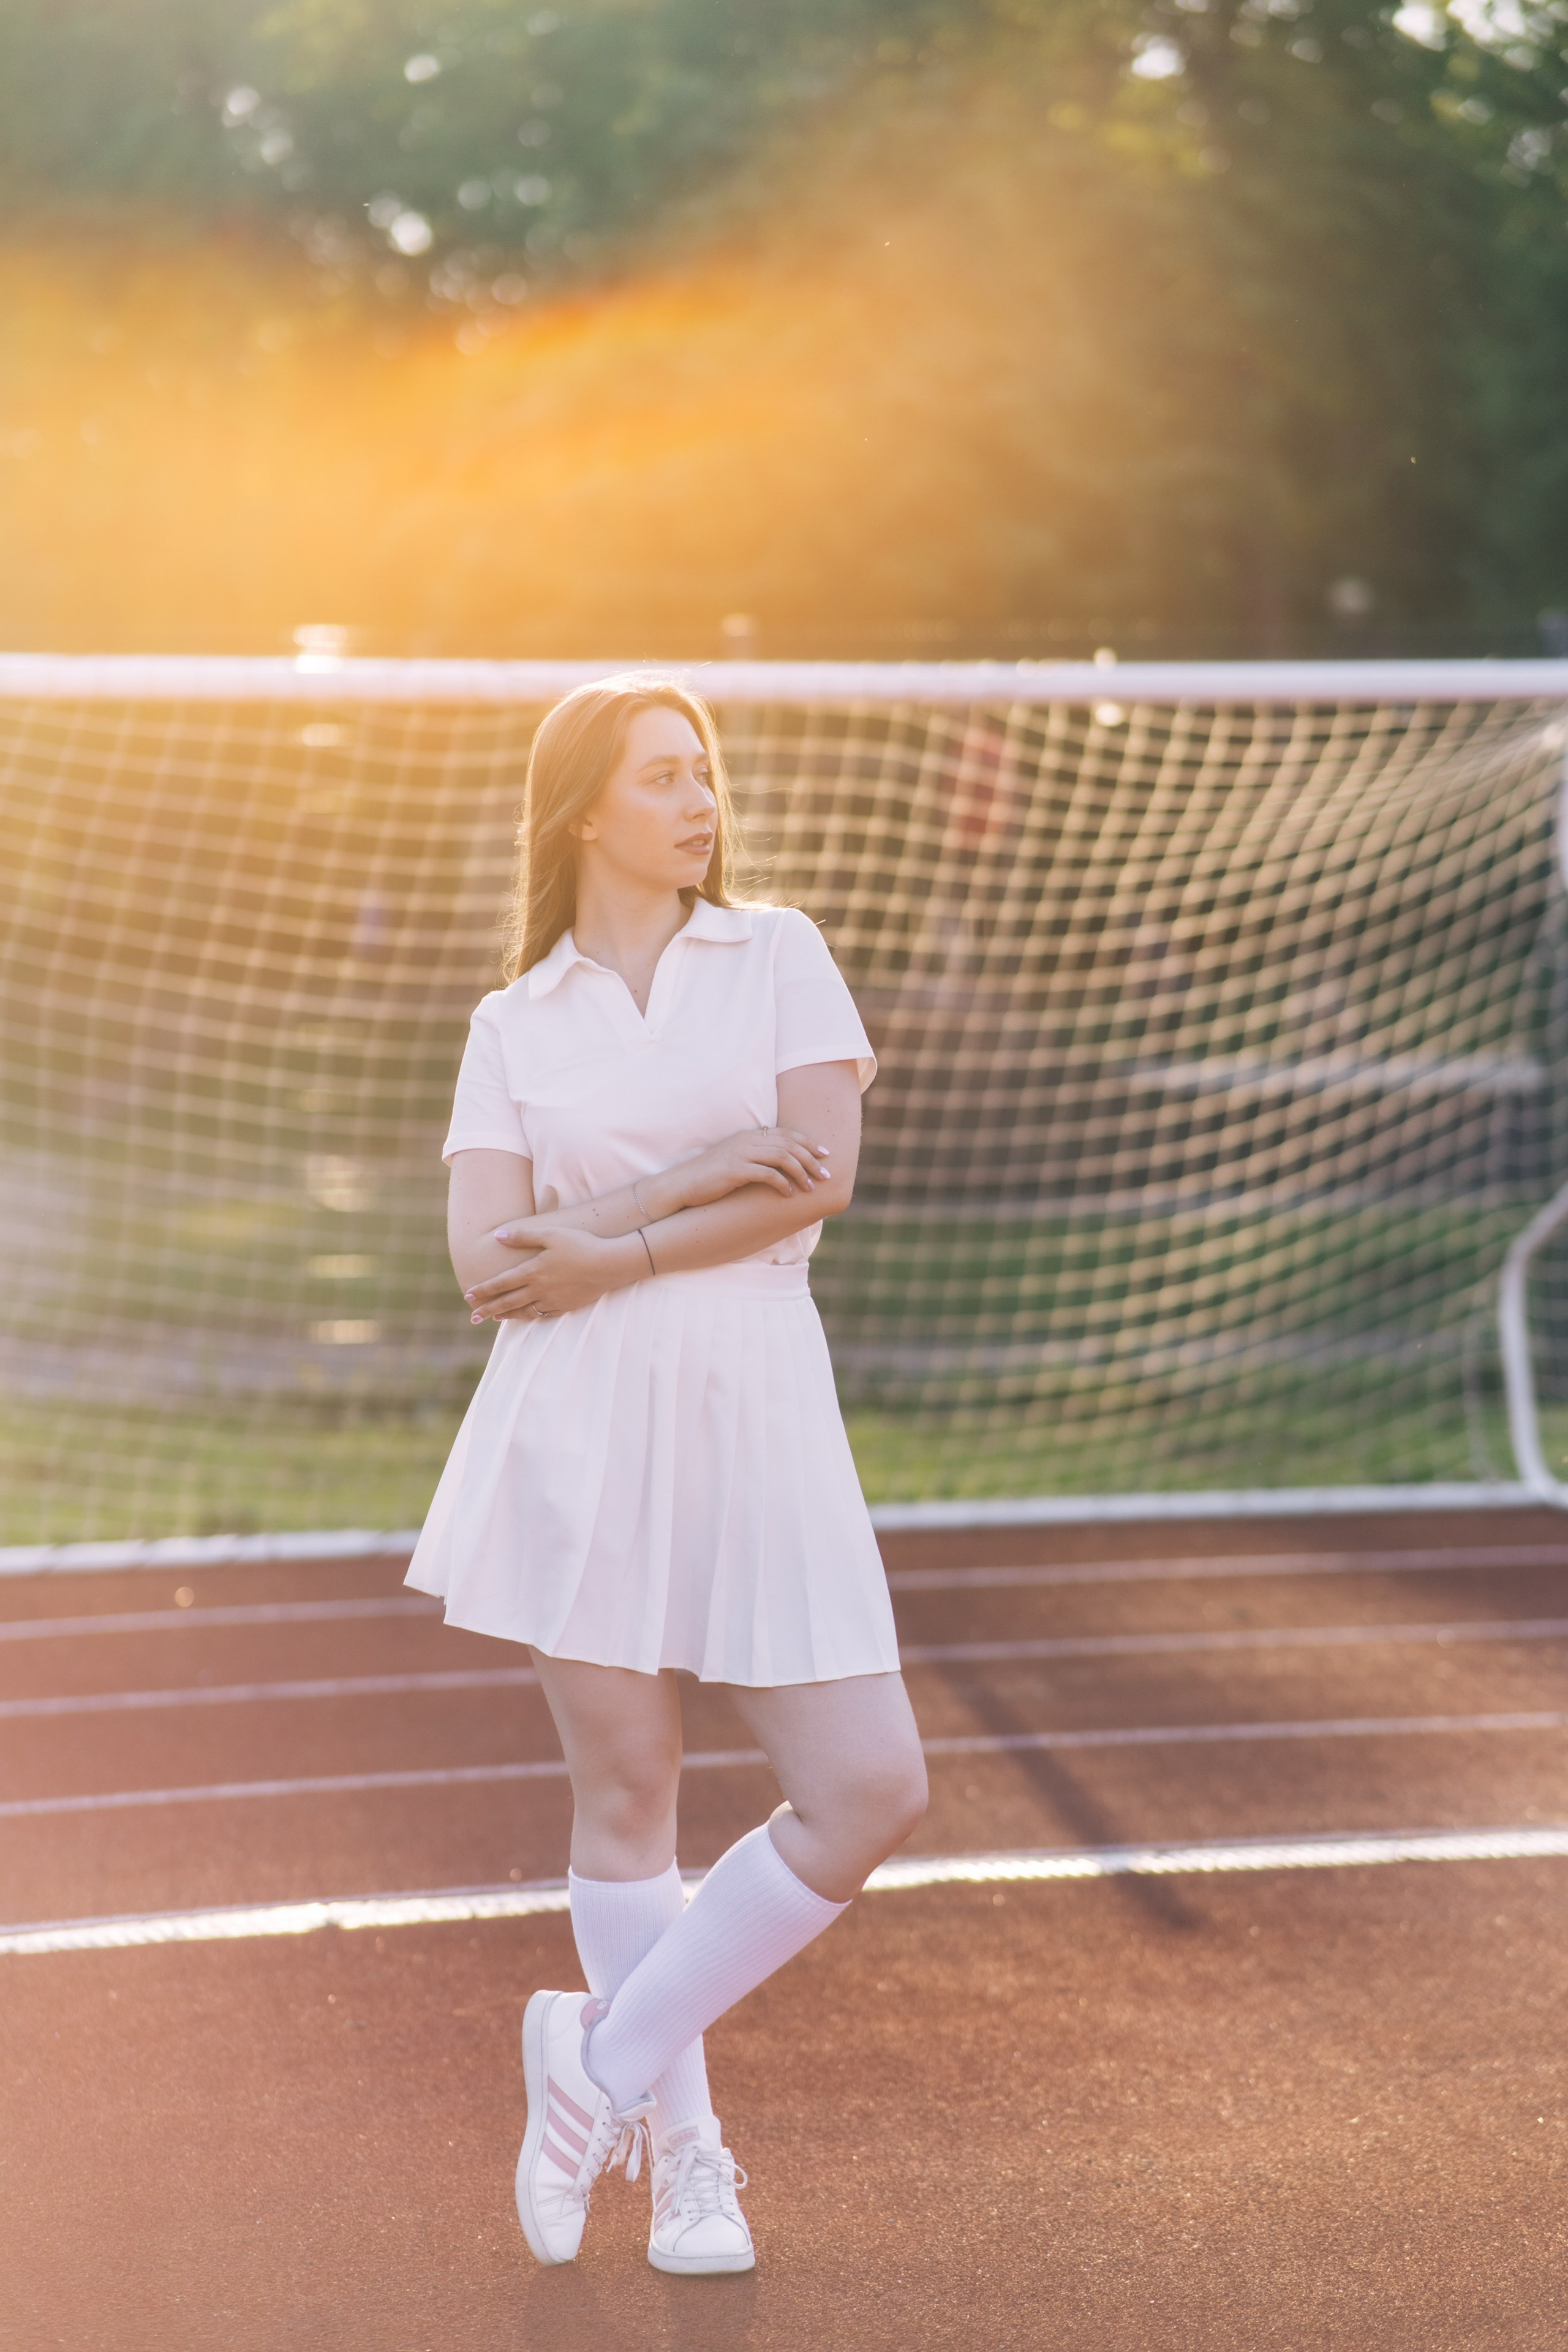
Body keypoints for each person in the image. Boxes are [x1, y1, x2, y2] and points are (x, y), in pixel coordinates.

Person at [405, 673, 927, 2277]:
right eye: (664, 778)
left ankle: (600, 2062)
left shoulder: (778, 955)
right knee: (629, 1795)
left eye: (706, 774)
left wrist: (625, 1229)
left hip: (759, 1398)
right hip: (574, 1422)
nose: (702, 801)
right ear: (584, 813)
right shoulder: (515, 1023)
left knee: (870, 1788)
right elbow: (491, 1268)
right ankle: (688, 2162)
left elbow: (812, 1177)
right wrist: (704, 1173)